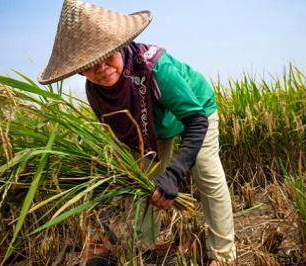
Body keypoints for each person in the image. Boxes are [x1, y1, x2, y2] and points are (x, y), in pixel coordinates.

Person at [38, 0, 236, 264]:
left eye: (107, 56)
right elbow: (122, 139)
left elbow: (196, 121)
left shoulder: (156, 68)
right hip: (152, 128)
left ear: (120, 45)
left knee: (207, 172)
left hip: (196, 110)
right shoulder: (95, 91)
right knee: (147, 182)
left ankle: (224, 256)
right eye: (89, 64)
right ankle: (146, 246)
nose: (101, 69)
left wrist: (175, 173)